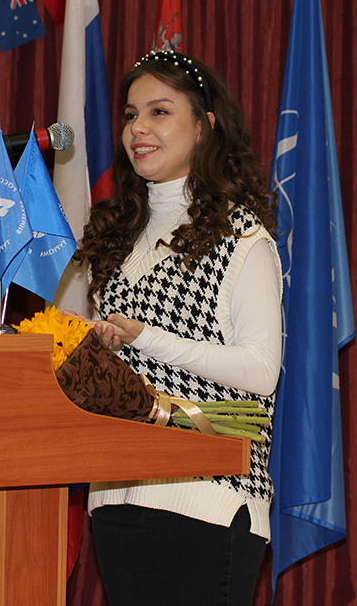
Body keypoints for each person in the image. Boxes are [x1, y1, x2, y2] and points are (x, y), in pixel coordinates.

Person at [72, 51, 283, 606]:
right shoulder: (113, 235)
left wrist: (146, 337)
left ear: (205, 126)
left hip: (208, 498)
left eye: (159, 112)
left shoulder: (242, 238)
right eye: (130, 114)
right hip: (115, 493)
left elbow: (262, 372)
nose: (137, 128)